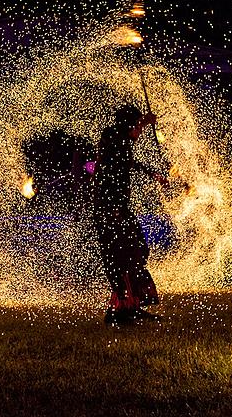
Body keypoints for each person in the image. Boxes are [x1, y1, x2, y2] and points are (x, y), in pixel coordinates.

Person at [92, 104, 165, 325]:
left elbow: (129, 160)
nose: (140, 132)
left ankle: (130, 305)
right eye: (137, 126)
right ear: (128, 125)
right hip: (110, 208)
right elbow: (121, 147)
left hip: (117, 207)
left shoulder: (120, 143)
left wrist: (152, 173)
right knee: (121, 256)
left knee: (136, 250)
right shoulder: (113, 137)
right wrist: (144, 121)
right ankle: (121, 310)